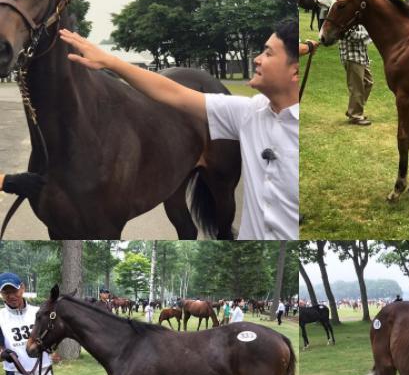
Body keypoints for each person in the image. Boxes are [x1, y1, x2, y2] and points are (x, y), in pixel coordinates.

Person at [59, 19, 299, 240]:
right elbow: (173, 92)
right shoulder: (247, 113)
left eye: (268, 53)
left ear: (295, 71)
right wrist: (109, 61)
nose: (257, 59)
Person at [338, 14, 373, 126]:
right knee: (357, 87)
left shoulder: (356, 18)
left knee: (368, 83)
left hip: (361, 57)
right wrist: (369, 33)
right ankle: (355, 115)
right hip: (352, 57)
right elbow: (350, 35)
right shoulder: (345, 18)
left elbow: (362, 33)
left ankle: (353, 109)